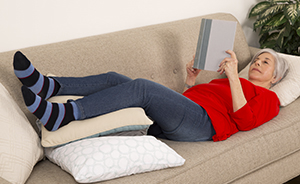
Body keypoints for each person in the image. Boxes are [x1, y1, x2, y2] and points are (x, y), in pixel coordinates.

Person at [13, 48, 288, 142]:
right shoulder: (228, 83)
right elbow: (189, 103)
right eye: (256, 59)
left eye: (266, 63)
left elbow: (246, 121)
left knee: (142, 87)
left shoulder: (269, 99)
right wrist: (191, 80)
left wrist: (232, 76)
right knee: (114, 78)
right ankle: (50, 86)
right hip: (190, 116)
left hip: (205, 126)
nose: (257, 63)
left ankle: (64, 114)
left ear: (274, 78)